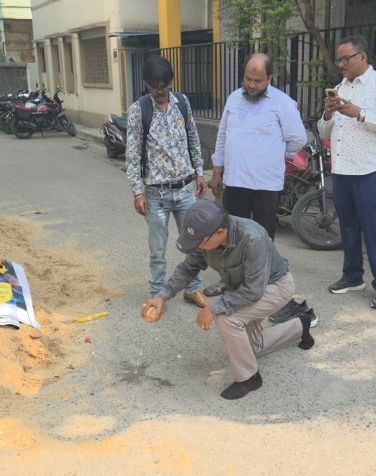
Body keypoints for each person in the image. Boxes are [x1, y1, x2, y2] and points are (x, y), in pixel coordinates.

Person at [140, 201, 318, 400]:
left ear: (219, 232)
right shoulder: (205, 235)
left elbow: (254, 290)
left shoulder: (252, 237)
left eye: (199, 242)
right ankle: (300, 326)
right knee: (251, 348)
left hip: (274, 287)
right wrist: (161, 296)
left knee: (227, 319)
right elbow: (188, 268)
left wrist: (213, 308)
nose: (197, 247)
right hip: (245, 289)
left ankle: (249, 378)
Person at [206, 53, 307, 300]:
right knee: (231, 236)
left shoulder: (283, 103)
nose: (251, 85)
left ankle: (260, 285)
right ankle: (229, 282)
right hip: (235, 182)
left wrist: (273, 156)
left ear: (269, 78)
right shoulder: (233, 99)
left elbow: (298, 139)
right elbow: (223, 135)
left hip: (266, 185)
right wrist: (217, 171)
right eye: (247, 79)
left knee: (262, 238)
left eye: (257, 81)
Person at [318, 35, 376, 310]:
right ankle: (352, 276)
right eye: (339, 60)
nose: (341, 64)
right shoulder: (338, 88)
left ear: (362, 56)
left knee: (374, 228)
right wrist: (328, 115)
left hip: (370, 169)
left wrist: (359, 113)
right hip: (342, 169)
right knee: (348, 227)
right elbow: (324, 131)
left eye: (346, 59)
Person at [126, 56, 209, 308]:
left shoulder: (182, 102)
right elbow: (132, 154)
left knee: (194, 243)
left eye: (165, 86)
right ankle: (156, 294)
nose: (160, 91)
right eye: (155, 87)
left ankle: (193, 288)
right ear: (147, 84)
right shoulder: (139, 110)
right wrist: (137, 192)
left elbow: (192, 138)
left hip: (185, 189)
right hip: (156, 194)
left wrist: (199, 172)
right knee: (158, 249)